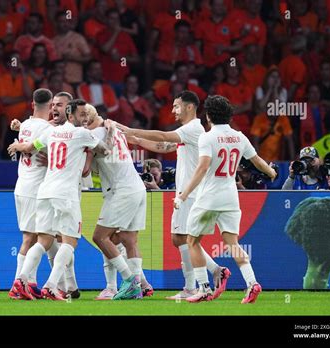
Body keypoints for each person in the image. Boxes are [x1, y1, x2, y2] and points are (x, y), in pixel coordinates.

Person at [117, 90, 228, 300]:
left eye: (176, 106)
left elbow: (162, 136)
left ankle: (193, 287)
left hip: (191, 194)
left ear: (189, 107)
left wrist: (129, 129)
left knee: (182, 238)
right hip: (191, 193)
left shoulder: (193, 128)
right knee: (183, 239)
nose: (172, 110)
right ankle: (214, 272)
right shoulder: (189, 131)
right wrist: (134, 138)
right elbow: (163, 145)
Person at [175, 95, 277, 303]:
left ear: (209, 115)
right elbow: (256, 160)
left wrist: (184, 194)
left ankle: (203, 288)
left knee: (192, 241)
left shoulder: (207, 137)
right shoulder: (239, 136)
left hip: (208, 198)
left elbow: (203, 167)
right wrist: (272, 173)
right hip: (231, 199)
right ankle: (252, 283)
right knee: (232, 244)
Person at [8, 99, 110, 301]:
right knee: (70, 241)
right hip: (66, 194)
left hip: (45, 191)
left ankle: (21, 280)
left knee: (44, 239)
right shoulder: (82, 134)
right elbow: (104, 149)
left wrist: (16, 145)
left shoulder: (50, 132)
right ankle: (51, 286)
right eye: (82, 115)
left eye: (86, 116)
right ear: (71, 115)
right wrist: (103, 131)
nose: (85, 119)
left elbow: (29, 146)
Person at [82, 104, 152, 300]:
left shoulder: (92, 135)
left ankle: (128, 283)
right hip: (137, 187)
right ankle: (138, 285)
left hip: (121, 191)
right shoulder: (114, 129)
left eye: (81, 119)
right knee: (128, 240)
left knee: (100, 237)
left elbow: (87, 170)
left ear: (86, 119)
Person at [8, 88, 54, 300]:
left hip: (23, 186)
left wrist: (17, 131)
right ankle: (19, 283)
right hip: (35, 189)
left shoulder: (25, 125)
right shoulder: (46, 129)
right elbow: (32, 145)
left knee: (36, 236)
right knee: (30, 238)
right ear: (52, 105)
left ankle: (31, 283)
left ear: (32, 104)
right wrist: (18, 146)